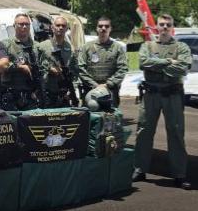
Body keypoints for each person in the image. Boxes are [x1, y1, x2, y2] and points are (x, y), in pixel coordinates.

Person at [132, 14, 192, 190]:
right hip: (150, 95)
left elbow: (183, 67)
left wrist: (156, 67)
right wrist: (167, 62)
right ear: (156, 27)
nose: (164, 27)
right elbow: (143, 62)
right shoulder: (147, 46)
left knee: (175, 133)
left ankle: (179, 174)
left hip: (172, 95)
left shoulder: (181, 46)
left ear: (172, 27)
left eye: (168, 24)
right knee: (144, 131)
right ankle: (139, 168)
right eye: (162, 24)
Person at [78, 16, 128, 107]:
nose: (103, 28)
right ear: (97, 28)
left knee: (110, 119)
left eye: (106, 26)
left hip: (110, 91)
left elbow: (123, 69)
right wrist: (95, 85)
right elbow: (81, 69)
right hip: (90, 91)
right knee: (91, 119)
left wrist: (108, 84)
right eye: (100, 26)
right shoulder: (87, 47)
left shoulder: (117, 48)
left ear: (110, 28)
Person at [1, 13, 45, 110]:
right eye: (21, 24)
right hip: (11, 95)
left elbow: (42, 69)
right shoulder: (5, 44)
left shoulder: (37, 47)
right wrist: (18, 67)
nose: (24, 27)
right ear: (14, 26)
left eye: (27, 24)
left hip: (31, 96)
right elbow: (1, 65)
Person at [40, 16, 79, 107]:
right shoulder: (42, 47)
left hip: (64, 95)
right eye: (58, 25)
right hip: (46, 93)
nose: (60, 28)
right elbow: (37, 67)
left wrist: (71, 90)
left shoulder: (71, 49)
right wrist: (49, 69)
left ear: (66, 29)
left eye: (63, 26)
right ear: (52, 27)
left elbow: (75, 72)